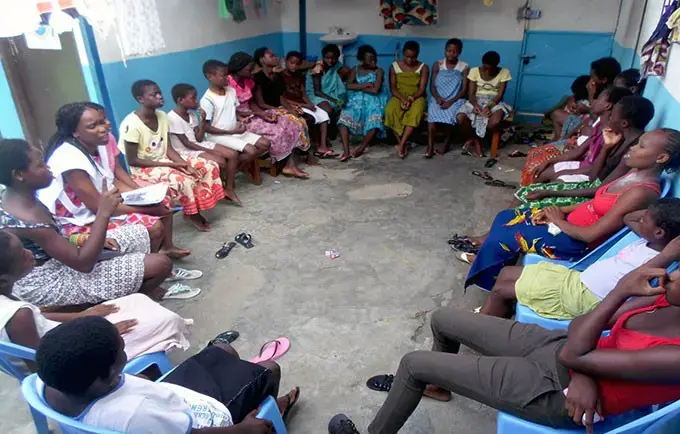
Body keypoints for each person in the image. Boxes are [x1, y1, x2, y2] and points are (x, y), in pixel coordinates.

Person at [330, 264, 680, 434]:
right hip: (567, 356)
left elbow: (575, 351)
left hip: (563, 395)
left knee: (413, 364)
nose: (672, 274)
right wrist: (585, 365)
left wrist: (620, 291)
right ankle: (438, 385)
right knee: (443, 318)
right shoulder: (663, 299)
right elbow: (577, 326)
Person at [463, 127, 680, 292]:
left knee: (508, 233)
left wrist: (558, 220)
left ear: (661, 158)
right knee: (507, 216)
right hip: (566, 226)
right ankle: (493, 262)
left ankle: (491, 282)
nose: (633, 147)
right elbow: (594, 203)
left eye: (641, 146)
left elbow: (592, 235)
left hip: (573, 242)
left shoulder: (641, 192)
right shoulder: (633, 174)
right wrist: (557, 210)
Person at [37, 316, 301, 432]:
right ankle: (266, 419)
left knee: (223, 349)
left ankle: (245, 384)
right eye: (121, 350)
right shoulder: (135, 416)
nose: (126, 351)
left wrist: (141, 385)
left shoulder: (51, 380)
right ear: (104, 377)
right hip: (207, 419)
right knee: (269, 370)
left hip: (168, 396)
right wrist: (242, 430)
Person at [0, 139, 174, 306]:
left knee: (143, 231)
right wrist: (104, 212)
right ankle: (129, 303)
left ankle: (134, 285)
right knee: (161, 264)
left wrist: (81, 239)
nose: (48, 168)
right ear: (19, 175)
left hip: (62, 259)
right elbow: (83, 263)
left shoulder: (18, 198)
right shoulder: (29, 220)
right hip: (49, 282)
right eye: (40, 165)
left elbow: (54, 243)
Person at [0, 230, 192, 365]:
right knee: (164, 321)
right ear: (4, 278)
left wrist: (82, 316)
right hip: (76, 358)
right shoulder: (18, 316)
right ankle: (135, 372)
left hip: (65, 337)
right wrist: (104, 335)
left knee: (136, 301)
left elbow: (41, 319)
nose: (30, 253)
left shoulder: (10, 294)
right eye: (22, 254)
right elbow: (47, 362)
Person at [38, 102, 191, 261]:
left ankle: (156, 260)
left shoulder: (98, 144)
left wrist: (144, 196)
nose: (103, 128)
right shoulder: (70, 159)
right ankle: (146, 269)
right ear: (75, 132)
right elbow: (98, 207)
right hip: (80, 221)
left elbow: (111, 180)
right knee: (154, 227)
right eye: (93, 126)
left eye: (103, 121)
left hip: (104, 206)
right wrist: (147, 209)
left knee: (162, 202)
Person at [481, 198, 680, 319]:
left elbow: (635, 278)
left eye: (645, 219)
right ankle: (496, 316)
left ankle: (480, 331)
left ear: (660, 232)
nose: (641, 219)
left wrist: (666, 255)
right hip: (577, 279)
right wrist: (653, 213)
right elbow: (628, 217)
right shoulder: (648, 240)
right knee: (506, 273)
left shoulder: (659, 260)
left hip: (583, 298)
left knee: (500, 290)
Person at [119, 80, 225, 232]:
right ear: (140, 99)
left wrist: (184, 165)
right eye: (154, 94)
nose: (160, 96)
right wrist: (174, 166)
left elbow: (168, 148)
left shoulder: (162, 116)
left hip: (166, 159)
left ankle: (197, 207)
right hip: (144, 167)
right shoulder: (132, 125)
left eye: (159, 92)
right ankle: (192, 213)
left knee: (208, 166)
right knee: (185, 180)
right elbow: (133, 160)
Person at [520, 86, 631, 186]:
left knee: (554, 180)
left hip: (588, 174)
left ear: (608, 105)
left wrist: (565, 172)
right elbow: (578, 151)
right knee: (539, 174)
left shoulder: (611, 135)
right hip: (582, 166)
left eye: (599, 99)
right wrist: (549, 162)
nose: (594, 101)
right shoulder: (599, 125)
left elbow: (596, 170)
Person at [227, 52, 312, 179]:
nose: (252, 73)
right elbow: (231, 111)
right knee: (278, 130)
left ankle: (289, 164)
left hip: (251, 113)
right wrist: (257, 113)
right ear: (239, 68)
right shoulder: (228, 84)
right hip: (239, 120)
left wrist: (262, 113)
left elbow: (252, 103)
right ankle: (283, 162)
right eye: (249, 70)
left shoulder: (248, 81)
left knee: (290, 122)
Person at [168, 83, 242, 205]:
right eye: (193, 98)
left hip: (198, 144)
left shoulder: (192, 115)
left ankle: (229, 188)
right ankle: (220, 188)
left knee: (233, 154)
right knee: (221, 160)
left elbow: (199, 138)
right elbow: (187, 144)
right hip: (186, 150)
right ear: (180, 100)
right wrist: (210, 151)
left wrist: (203, 121)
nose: (196, 101)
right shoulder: (172, 118)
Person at [200, 60, 272, 172]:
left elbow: (234, 111)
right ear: (210, 76)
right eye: (223, 75)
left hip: (235, 132)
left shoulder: (231, 91)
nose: (228, 78)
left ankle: (236, 166)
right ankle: (233, 169)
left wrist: (241, 119)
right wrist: (231, 132)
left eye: (227, 74)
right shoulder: (207, 100)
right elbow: (206, 127)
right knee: (251, 151)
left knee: (265, 144)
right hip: (219, 136)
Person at [456, 51, 512, 158]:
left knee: (494, 122)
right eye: (484, 67)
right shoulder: (474, 71)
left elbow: (499, 95)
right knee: (460, 117)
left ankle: (477, 139)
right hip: (476, 100)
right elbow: (471, 94)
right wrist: (475, 105)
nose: (486, 70)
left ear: (496, 66)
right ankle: (476, 140)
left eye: (489, 68)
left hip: (494, 101)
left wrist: (489, 107)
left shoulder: (504, 72)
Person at [280, 51, 336, 158]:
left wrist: (309, 103)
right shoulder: (281, 77)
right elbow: (283, 99)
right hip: (290, 105)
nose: (294, 66)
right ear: (286, 62)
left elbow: (303, 93)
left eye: (297, 64)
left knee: (323, 115)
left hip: (302, 103)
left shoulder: (300, 76)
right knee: (311, 118)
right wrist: (305, 106)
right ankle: (307, 147)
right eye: (292, 63)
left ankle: (322, 146)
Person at [337, 44, 387, 161]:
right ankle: (346, 151)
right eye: (369, 59)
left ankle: (361, 148)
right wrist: (365, 85)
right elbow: (348, 85)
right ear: (362, 60)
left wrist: (358, 87)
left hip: (374, 100)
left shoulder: (379, 71)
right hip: (356, 100)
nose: (373, 61)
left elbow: (375, 90)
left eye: (374, 58)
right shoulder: (356, 69)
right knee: (344, 119)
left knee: (374, 119)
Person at [384, 40, 429, 159]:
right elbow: (393, 89)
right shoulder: (394, 67)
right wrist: (403, 99)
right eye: (407, 56)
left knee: (415, 112)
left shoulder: (423, 67)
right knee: (390, 110)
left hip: (417, 97)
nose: (410, 60)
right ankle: (401, 142)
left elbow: (422, 89)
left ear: (418, 55)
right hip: (398, 95)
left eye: (413, 57)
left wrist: (411, 99)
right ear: (403, 54)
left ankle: (402, 144)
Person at [426, 38, 469, 158]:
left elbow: (464, 89)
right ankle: (430, 145)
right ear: (445, 50)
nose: (451, 53)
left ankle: (447, 142)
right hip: (438, 97)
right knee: (431, 116)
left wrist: (451, 101)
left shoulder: (464, 66)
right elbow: (432, 86)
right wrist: (438, 98)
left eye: (454, 51)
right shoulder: (438, 64)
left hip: (455, 98)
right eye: (449, 50)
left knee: (451, 115)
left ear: (459, 52)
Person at [306, 44, 350, 117]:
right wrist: (335, 101)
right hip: (315, 95)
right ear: (323, 57)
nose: (330, 61)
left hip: (329, 94)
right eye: (327, 58)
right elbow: (317, 92)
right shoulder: (318, 68)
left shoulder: (336, 66)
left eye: (333, 58)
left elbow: (348, 71)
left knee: (346, 105)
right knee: (329, 109)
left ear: (337, 58)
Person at [549, 75, 591, 140]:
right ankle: (558, 140)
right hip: (581, 123)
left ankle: (559, 140)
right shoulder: (576, 99)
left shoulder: (588, 102)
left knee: (556, 114)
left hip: (584, 125)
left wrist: (587, 110)